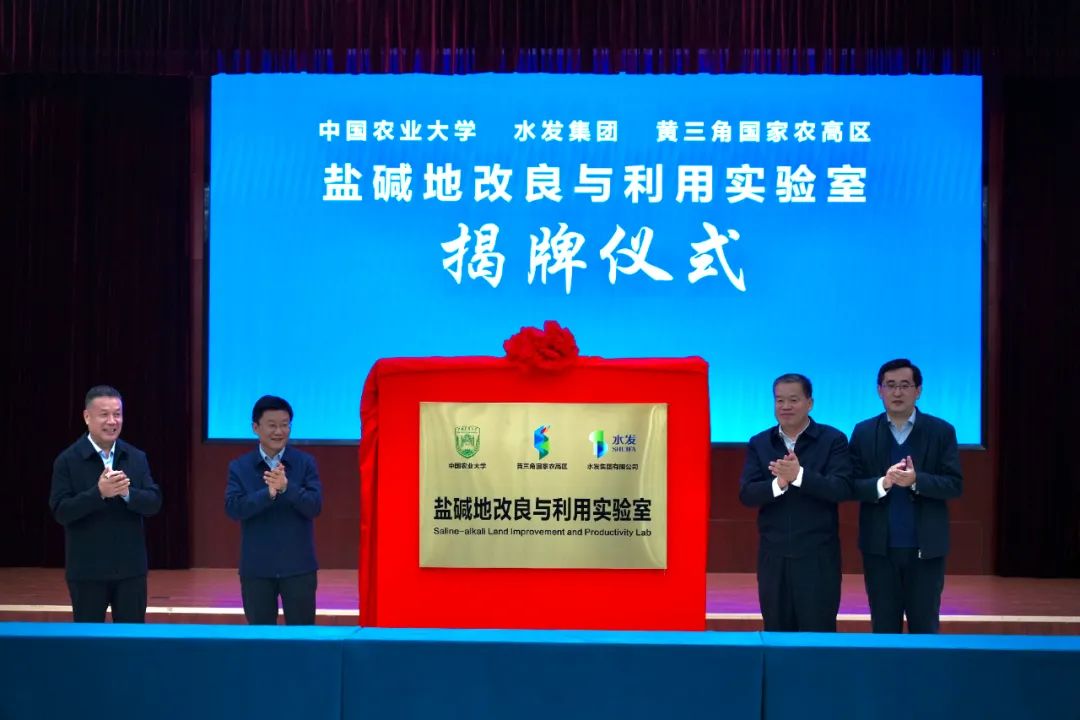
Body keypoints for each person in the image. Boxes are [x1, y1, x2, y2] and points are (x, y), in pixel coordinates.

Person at [849, 358, 963, 633]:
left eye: (904, 385)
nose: (897, 392)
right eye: (890, 385)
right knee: (884, 628)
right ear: (879, 390)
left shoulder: (941, 431)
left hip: (926, 549)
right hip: (879, 549)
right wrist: (883, 483)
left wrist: (916, 481)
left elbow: (954, 484)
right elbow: (849, 484)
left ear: (918, 391)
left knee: (924, 627)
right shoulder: (864, 432)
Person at [738, 373, 852, 632]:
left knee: (817, 635)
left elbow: (841, 488)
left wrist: (799, 476)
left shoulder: (832, 440)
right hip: (773, 555)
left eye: (793, 400)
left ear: (809, 403)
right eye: (780, 400)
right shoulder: (760, 443)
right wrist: (778, 484)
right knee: (776, 632)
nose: (786, 406)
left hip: (817, 556)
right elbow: (747, 493)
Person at [49, 385, 162, 622]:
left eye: (117, 414)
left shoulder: (136, 457)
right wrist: (98, 493)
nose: (112, 421)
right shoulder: (68, 460)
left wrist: (127, 493)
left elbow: (154, 503)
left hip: (130, 571)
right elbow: (61, 511)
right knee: (88, 640)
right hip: (87, 572)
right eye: (104, 415)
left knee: (132, 639)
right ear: (87, 417)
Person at [225, 395, 322, 625]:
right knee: (261, 639)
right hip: (257, 569)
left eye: (284, 424)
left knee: (302, 638)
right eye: (272, 425)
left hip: (298, 568)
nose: (279, 431)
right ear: (255, 428)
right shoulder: (240, 467)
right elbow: (233, 508)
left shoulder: (305, 463)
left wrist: (287, 488)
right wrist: (267, 494)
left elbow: (314, 506)